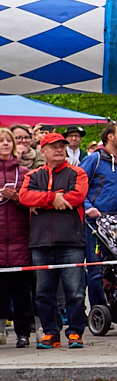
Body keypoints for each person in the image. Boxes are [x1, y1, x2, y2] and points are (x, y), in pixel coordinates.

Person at [19, 133, 89, 349]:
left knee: (75, 291)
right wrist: (54, 197)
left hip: (71, 240)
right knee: (43, 293)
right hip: (40, 242)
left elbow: (77, 196)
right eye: (54, 146)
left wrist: (41, 200)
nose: (59, 150)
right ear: (43, 150)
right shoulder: (32, 175)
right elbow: (24, 196)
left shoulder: (77, 172)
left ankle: (75, 332)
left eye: (62, 146)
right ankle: (51, 332)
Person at [80, 121, 117, 308]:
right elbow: (78, 185)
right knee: (96, 268)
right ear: (110, 137)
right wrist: (87, 206)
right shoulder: (94, 160)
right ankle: (98, 309)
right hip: (96, 222)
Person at [0, 127, 33, 347]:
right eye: (1, 141)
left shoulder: (24, 172)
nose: (5, 144)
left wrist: (17, 197)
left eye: (8, 140)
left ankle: (24, 333)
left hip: (20, 239)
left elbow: (32, 203)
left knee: (22, 292)